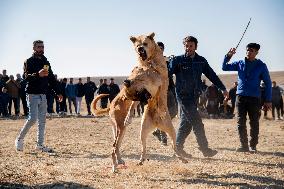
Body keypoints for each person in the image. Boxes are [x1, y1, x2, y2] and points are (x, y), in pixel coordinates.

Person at [169, 36, 228, 157]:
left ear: (196, 46)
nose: (188, 48)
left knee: (186, 123)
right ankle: (205, 149)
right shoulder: (177, 60)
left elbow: (212, 75)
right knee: (197, 122)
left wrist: (222, 88)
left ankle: (177, 148)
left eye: (191, 45)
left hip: (195, 96)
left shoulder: (201, 61)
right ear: (184, 46)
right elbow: (166, 73)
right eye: (186, 45)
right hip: (183, 96)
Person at [222, 43, 272, 152]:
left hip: (254, 98)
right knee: (240, 122)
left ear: (256, 52)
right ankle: (244, 146)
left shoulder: (261, 65)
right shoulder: (240, 63)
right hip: (240, 97)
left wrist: (268, 100)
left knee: (254, 122)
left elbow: (268, 83)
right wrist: (228, 56)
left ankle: (253, 146)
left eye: (252, 50)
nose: (249, 52)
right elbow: (224, 67)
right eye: (248, 50)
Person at [15, 40, 62, 152]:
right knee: (32, 119)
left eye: (42, 47)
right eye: (39, 47)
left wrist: (58, 92)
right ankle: (19, 139)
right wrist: (37, 74)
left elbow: (51, 78)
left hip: (43, 94)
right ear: (34, 48)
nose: (41, 48)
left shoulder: (46, 61)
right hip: (32, 94)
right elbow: (26, 77)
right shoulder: (29, 61)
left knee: (42, 120)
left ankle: (40, 145)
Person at [152, 41, 178, 146]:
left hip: (170, 88)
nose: (160, 49)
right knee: (163, 112)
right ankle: (163, 136)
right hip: (159, 90)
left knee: (174, 111)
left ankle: (158, 130)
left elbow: (173, 70)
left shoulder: (167, 60)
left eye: (161, 48)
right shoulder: (152, 61)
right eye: (158, 48)